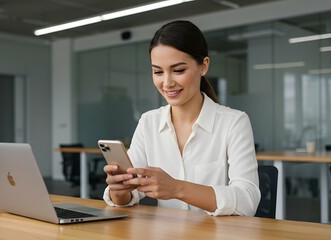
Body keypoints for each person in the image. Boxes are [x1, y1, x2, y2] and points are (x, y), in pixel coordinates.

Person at [102, 20, 260, 216]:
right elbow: (127, 197)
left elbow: (247, 201)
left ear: (203, 66)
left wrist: (177, 188)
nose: (167, 83)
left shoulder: (234, 122)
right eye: (158, 72)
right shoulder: (148, 122)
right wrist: (120, 191)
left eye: (178, 70)